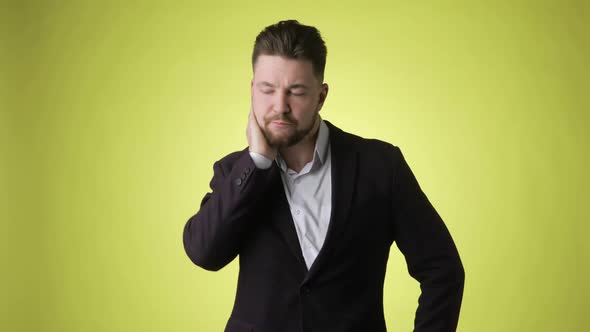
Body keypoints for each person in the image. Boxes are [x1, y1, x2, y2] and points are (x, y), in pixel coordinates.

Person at [183, 20, 465, 332]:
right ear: (252, 91)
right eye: (267, 90)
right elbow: (203, 253)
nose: (280, 106)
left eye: (297, 92)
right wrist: (258, 161)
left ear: (321, 96)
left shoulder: (382, 166)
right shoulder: (235, 172)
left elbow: (443, 269)